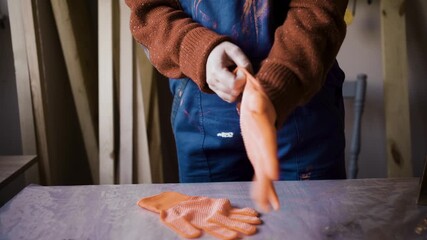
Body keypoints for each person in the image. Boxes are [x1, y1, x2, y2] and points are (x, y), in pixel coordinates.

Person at [125, 0, 349, 212]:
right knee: (212, 228)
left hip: (302, 96)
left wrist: (279, 81)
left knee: (311, 228)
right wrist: (194, 48)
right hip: (202, 107)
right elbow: (149, 9)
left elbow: (320, 6)